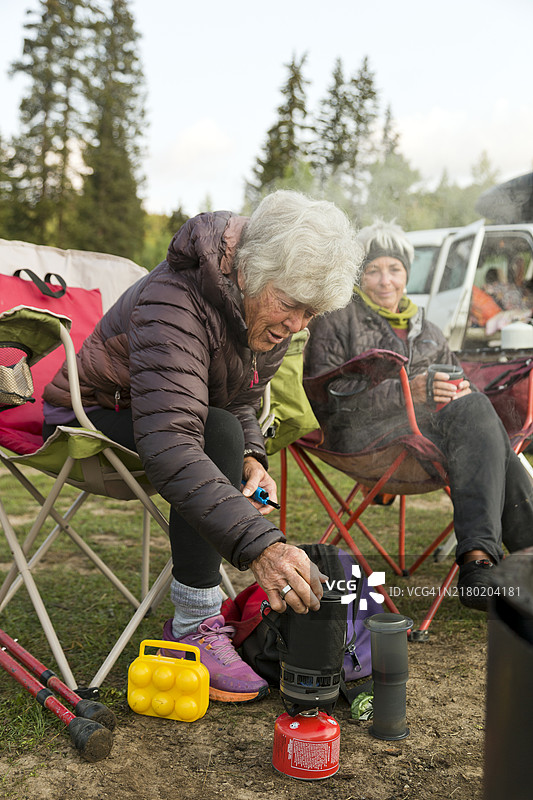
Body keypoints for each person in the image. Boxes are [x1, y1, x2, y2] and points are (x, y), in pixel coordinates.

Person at [42, 190, 363, 703]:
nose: (296, 326)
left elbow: (240, 398)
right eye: (290, 306)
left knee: (224, 432)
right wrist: (261, 544)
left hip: (164, 418)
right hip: (88, 416)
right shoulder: (177, 298)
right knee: (212, 434)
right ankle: (192, 623)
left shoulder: (262, 312)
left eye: (311, 313)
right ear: (254, 272)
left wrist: (253, 457)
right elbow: (172, 442)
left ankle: (200, 611)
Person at [304, 219, 533, 612]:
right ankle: (487, 558)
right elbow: (328, 395)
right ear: (360, 276)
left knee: (480, 415)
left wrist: (458, 389)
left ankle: (502, 561)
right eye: (373, 269)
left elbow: (458, 381)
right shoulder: (338, 318)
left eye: (394, 268)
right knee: (488, 433)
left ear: (407, 273)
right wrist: (414, 391)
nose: (385, 280)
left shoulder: (427, 328)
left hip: (431, 440)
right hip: (370, 440)